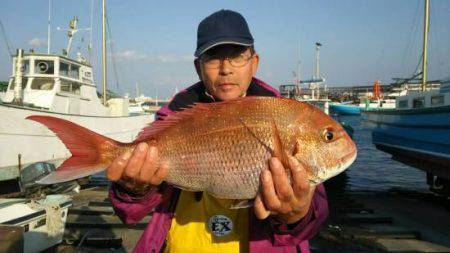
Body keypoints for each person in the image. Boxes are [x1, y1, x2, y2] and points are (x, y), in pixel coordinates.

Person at [107, 9, 328, 253]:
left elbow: (313, 218)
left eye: (237, 55)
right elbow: (129, 213)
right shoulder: (175, 119)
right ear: (198, 67)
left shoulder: (283, 117)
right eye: (213, 57)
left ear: (254, 63)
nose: (226, 69)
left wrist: (298, 213)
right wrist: (134, 189)